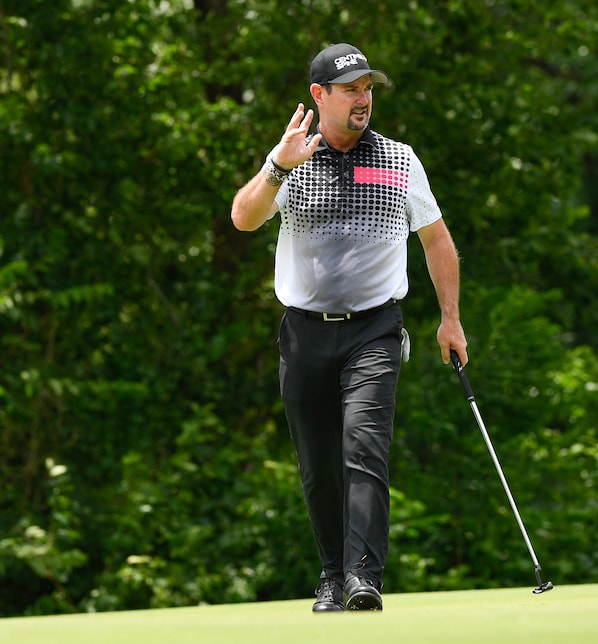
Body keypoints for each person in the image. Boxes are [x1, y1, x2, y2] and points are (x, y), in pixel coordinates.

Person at [230, 43, 468, 612]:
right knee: (317, 463)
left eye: (368, 89)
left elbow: (436, 240)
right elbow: (242, 218)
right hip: (305, 332)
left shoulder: (398, 159)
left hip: (374, 330)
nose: (363, 100)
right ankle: (332, 576)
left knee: (365, 447)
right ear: (319, 95)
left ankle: (364, 577)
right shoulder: (289, 158)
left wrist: (450, 320)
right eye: (351, 90)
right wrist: (275, 166)